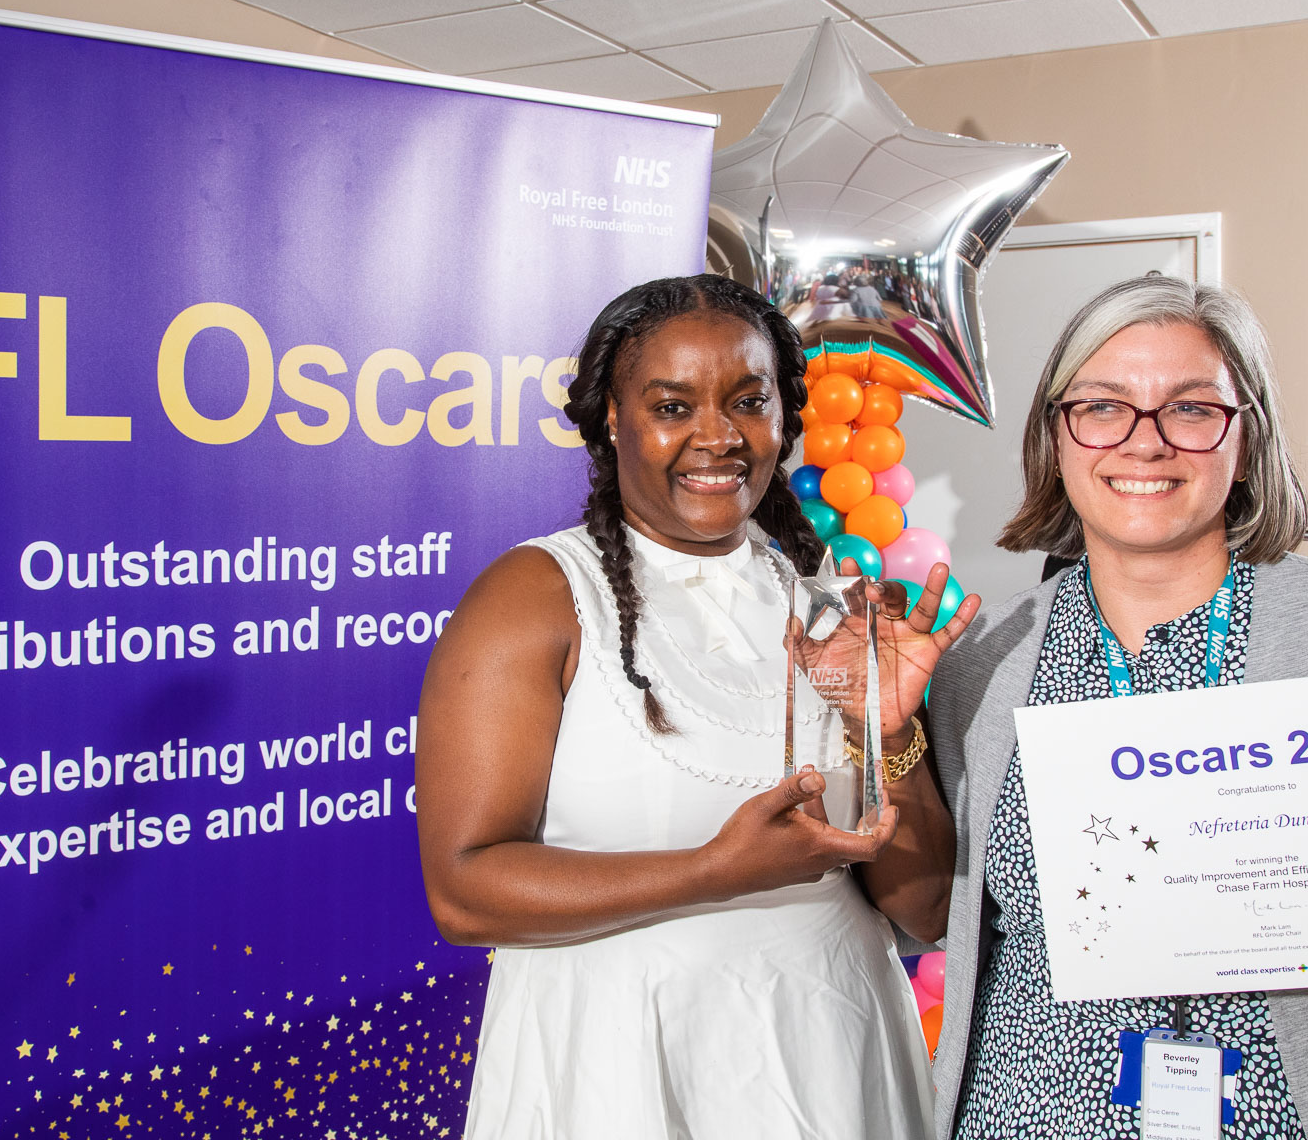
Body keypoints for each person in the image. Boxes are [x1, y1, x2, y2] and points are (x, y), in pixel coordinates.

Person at [875, 276, 1308, 1139]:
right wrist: (891, 735)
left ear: (1247, 436)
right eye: (1102, 405)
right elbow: (928, 917)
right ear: (1055, 435)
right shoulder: (981, 663)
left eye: (1192, 409)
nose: (1144, 442)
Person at [415, 273, 970, 1139]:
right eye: (672, 407)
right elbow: (465, 892)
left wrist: (886, 731)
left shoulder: (831, 606)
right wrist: (716, 868)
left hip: (832, 1052)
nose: (717, 436)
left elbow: (926, 908)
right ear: (612, 417)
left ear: (785, 416)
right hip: (616, 1067)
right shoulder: (534, 597)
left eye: (748, 401)